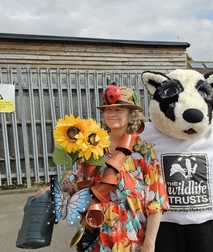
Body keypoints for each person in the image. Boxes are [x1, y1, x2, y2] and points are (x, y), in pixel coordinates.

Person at [37, 83, 168, 252]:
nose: (112, 114)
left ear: (131, 115)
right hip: (97, 239)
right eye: (108, 110)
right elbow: (77, 180)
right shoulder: (93, 148)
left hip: (131, 239)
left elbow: (156, 199)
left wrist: (150, 244)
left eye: (118, 110)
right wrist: (52, 188)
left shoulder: (143, 152)